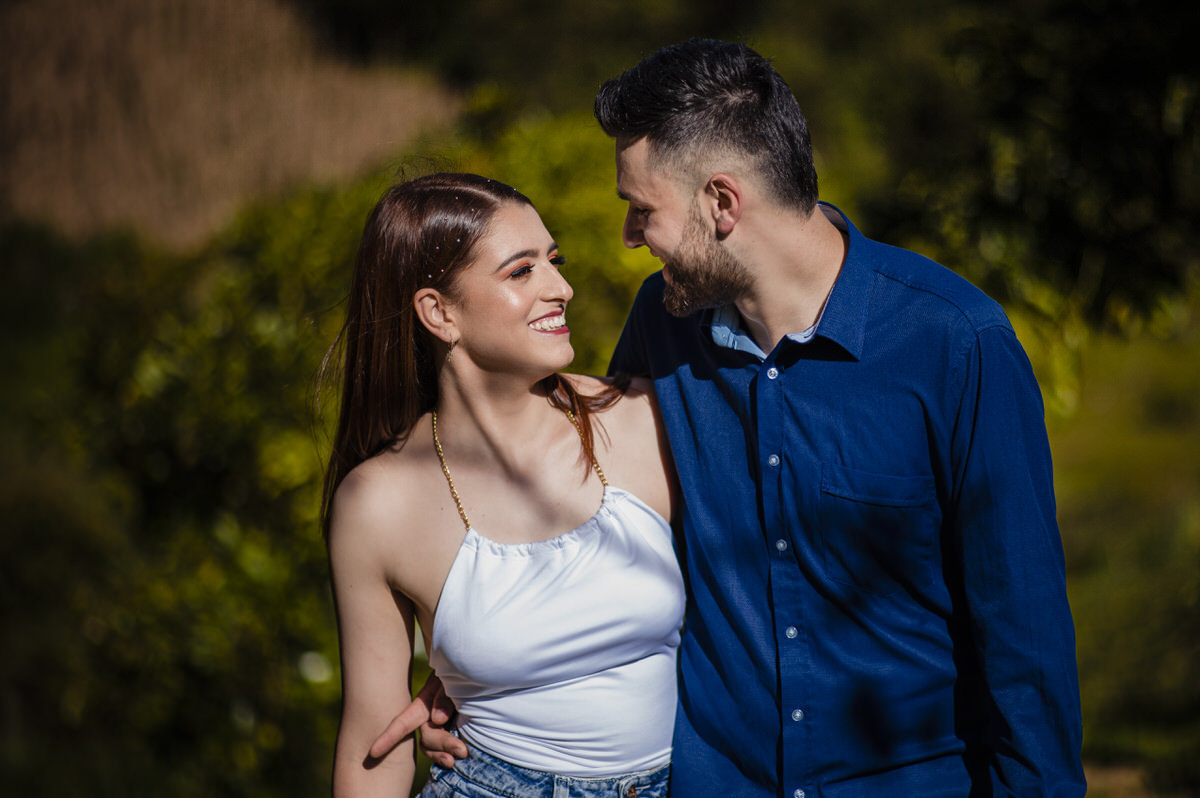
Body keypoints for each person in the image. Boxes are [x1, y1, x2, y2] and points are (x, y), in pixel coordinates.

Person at [377, 41, 1088, 796]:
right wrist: (485, 682)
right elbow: (586, 518)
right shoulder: (663, 325)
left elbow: (1024, 636)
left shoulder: (954, 342)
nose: (627, 237)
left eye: (641, 209)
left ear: (723, 203)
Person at [323, 172, 684, 798]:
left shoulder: (640, 423)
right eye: (521, 272)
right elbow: (371, 743)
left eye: (554, 260)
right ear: (439, 313)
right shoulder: (378, 504)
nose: (561, 288)